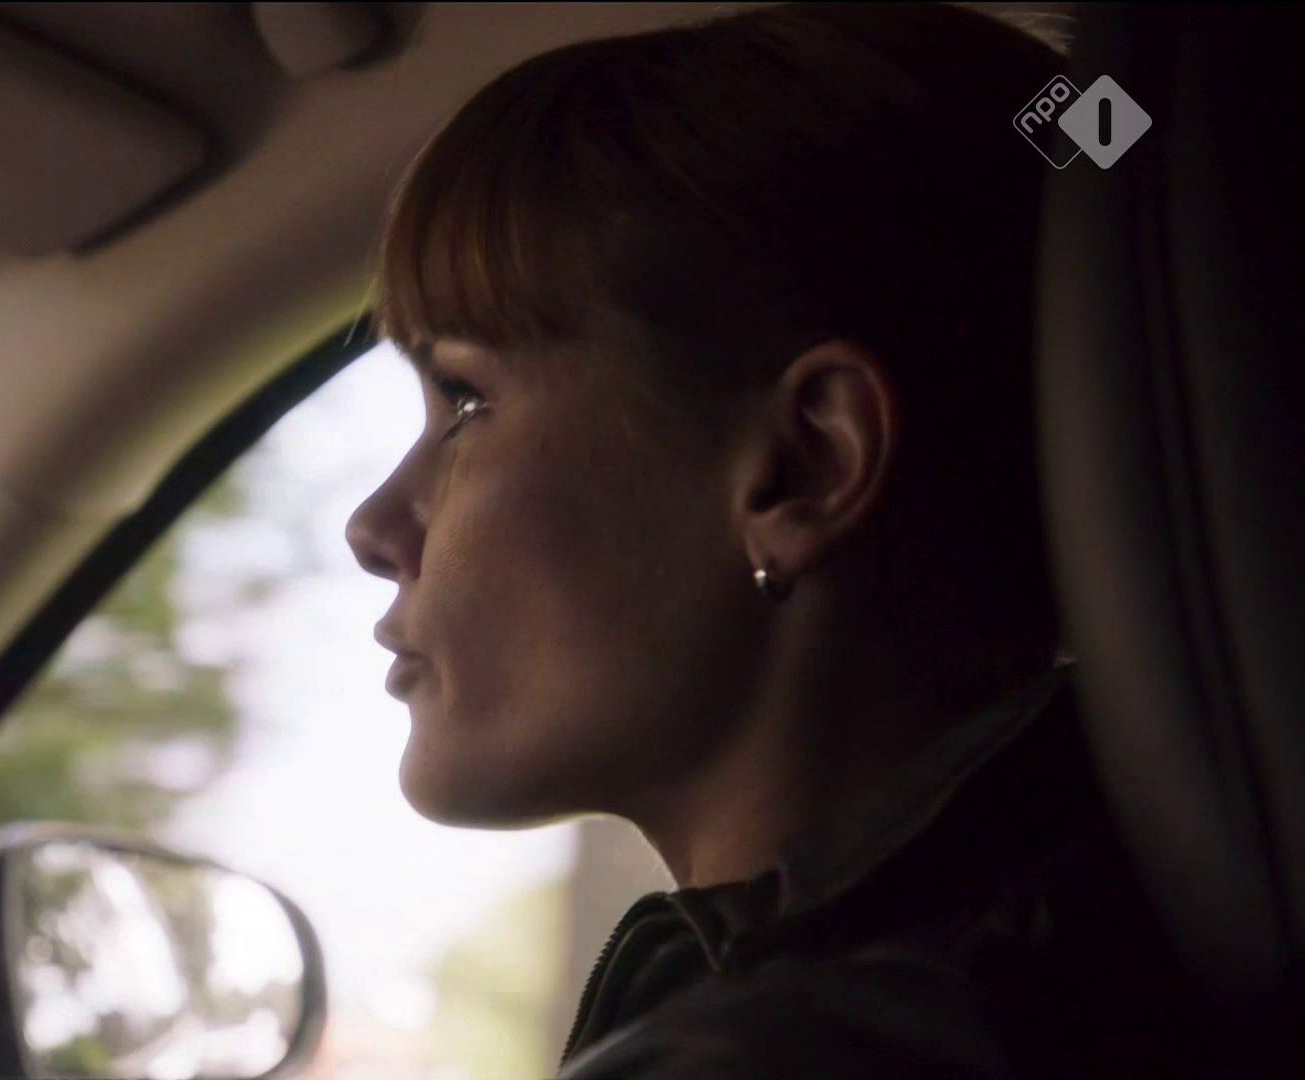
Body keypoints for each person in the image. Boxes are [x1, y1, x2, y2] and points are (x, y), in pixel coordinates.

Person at [343, 4, 1221, 1076]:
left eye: (466, 402)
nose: (373, 528)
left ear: (805, 465)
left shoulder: (801, 1053)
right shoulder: (1108, 958)